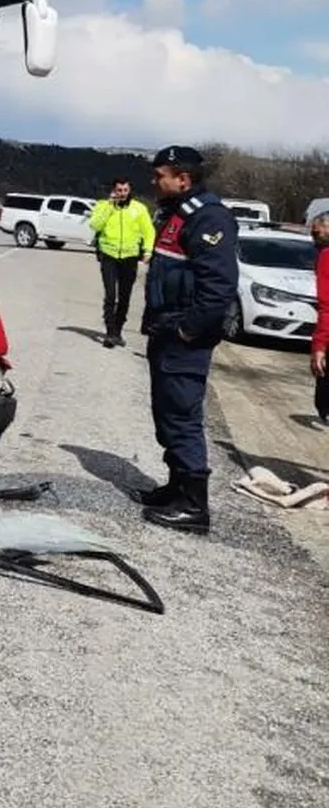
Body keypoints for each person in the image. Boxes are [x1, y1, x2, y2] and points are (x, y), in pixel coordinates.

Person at [139, 145, 239, 535]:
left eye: (160, 174)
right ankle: (177, 487)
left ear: (183, 179)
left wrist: (187, 330)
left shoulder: (209, 218)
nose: (154, 180)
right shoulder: (177, 215)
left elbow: (219, 289)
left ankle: (195, 507)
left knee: (182, 414)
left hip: (185, 337)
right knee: (166, 411)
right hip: (166, 329)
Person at [88, 179, 155, 347]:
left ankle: (118, 331)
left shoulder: (138, 209)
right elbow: (95, 225)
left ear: (129, 190)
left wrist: (148, 250)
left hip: (130, 257)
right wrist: (109, 206)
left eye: (125, 190)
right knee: (111, 295)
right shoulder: (103, 205)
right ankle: (110, 332)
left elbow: (149, 231)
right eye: (119, 190)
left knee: (125, 297)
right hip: (109, 255)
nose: (122, 193)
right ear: (113, 191)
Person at [310, 208, 329, 429]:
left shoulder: (325, 256)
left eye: (317, 233)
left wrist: (320, 345)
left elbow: (327, 305)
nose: (313, 238)